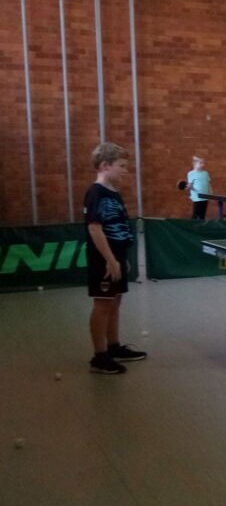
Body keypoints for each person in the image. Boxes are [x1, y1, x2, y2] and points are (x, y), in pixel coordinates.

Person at [84, 142, 147, 374]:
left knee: (115, 301)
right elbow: (95, 228)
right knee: (103, 303)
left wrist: (121, 257)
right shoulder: (95, 193)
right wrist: (110, 259)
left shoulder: (114, 193)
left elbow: (118, 226)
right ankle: (99, 357)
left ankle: (113, 346)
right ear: (104, 165)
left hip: (117, 255)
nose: (125, 171)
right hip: (103, 258)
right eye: (121, 166)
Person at [186, 155, 211, 220]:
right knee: (196, 215)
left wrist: (211, 193)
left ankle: (201, 225)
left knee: (202, 216)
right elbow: (190, 186)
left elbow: (208, 184)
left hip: (205, 197)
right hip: (197, 198)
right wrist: (189, 188)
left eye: (203, 163)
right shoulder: (190, 173)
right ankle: (193, 225)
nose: (203, 165)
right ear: (194, 164)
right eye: (200, 163)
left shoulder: (206, 173)